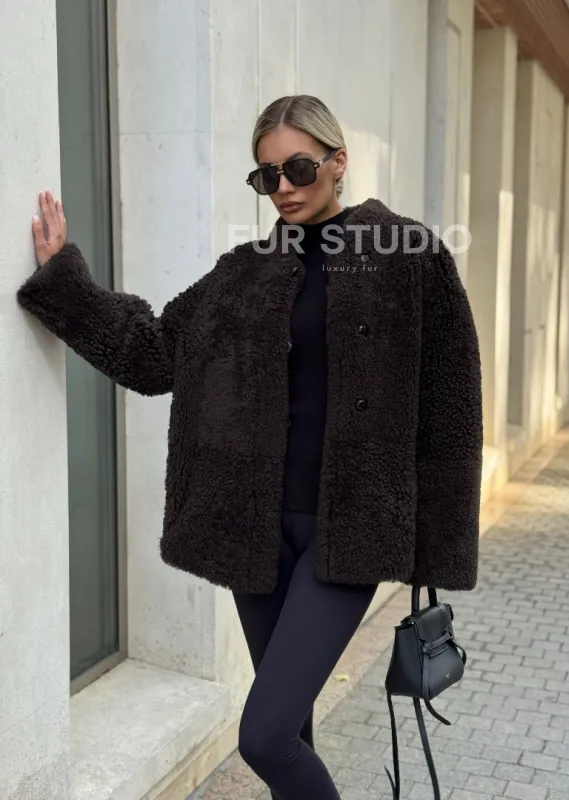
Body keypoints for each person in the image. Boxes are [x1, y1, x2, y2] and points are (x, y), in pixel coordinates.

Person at [16, 95, 483, 800]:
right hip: (256, 534)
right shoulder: (246, 273)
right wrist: (67, 285)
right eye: (267, 176)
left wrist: (438, 547)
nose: (283, 187)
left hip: (349, 534)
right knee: (291, 734)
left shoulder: (409, 256)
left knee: (263, 738)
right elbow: (154, 352)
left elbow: (452, 409)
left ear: (338, 162)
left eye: (298, 168)